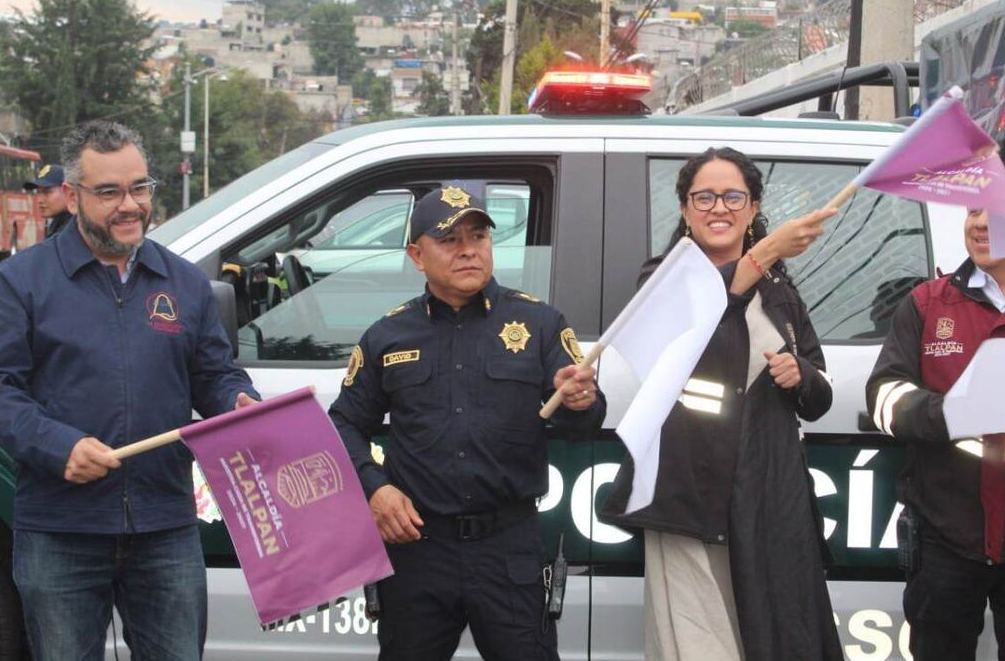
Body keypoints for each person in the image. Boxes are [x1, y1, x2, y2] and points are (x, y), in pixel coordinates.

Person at [0, 121, 259, 661]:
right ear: (73, 197)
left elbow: (214, 375)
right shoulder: (22, 282)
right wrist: (59, 447)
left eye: (140, 188)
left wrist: (238, 400)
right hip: (60, 531)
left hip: (165, 527)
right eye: (109, 192)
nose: (130, 206)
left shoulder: (183, 282)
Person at [329, 186, 606, 660]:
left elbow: (584, 426)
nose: (468, 250)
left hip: (508, 549)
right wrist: (374, 488)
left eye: (478, 236)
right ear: (417, 255)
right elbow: (343, 424)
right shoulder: (387, 335)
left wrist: (581, 401)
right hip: (418, 549)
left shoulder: (539, 323)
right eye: (449, 240)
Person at [600, 147, 843, 661]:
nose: (719, 208)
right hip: (687, 497)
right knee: (699, 643)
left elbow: (819, 395)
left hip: (766, 498)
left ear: (753, 208)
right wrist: (765, 254)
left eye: (733, 196)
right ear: (685, 210)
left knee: (774, 637)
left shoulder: (780, 291)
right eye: (703, 197)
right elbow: (706, 322)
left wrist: (801, 376)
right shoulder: (663, 279)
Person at [866, 173, 1005, 660]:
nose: (979, 223)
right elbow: (883, 395)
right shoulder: (927, 304)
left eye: (994, 210)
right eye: (973, 211)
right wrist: (951, 413)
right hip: (945, 536)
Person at [24, 163, 72, 238]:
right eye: (38, 192)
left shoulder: (76, 229)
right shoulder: (59, 223)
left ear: (67, 191)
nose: (40, 200)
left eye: (47, 192)